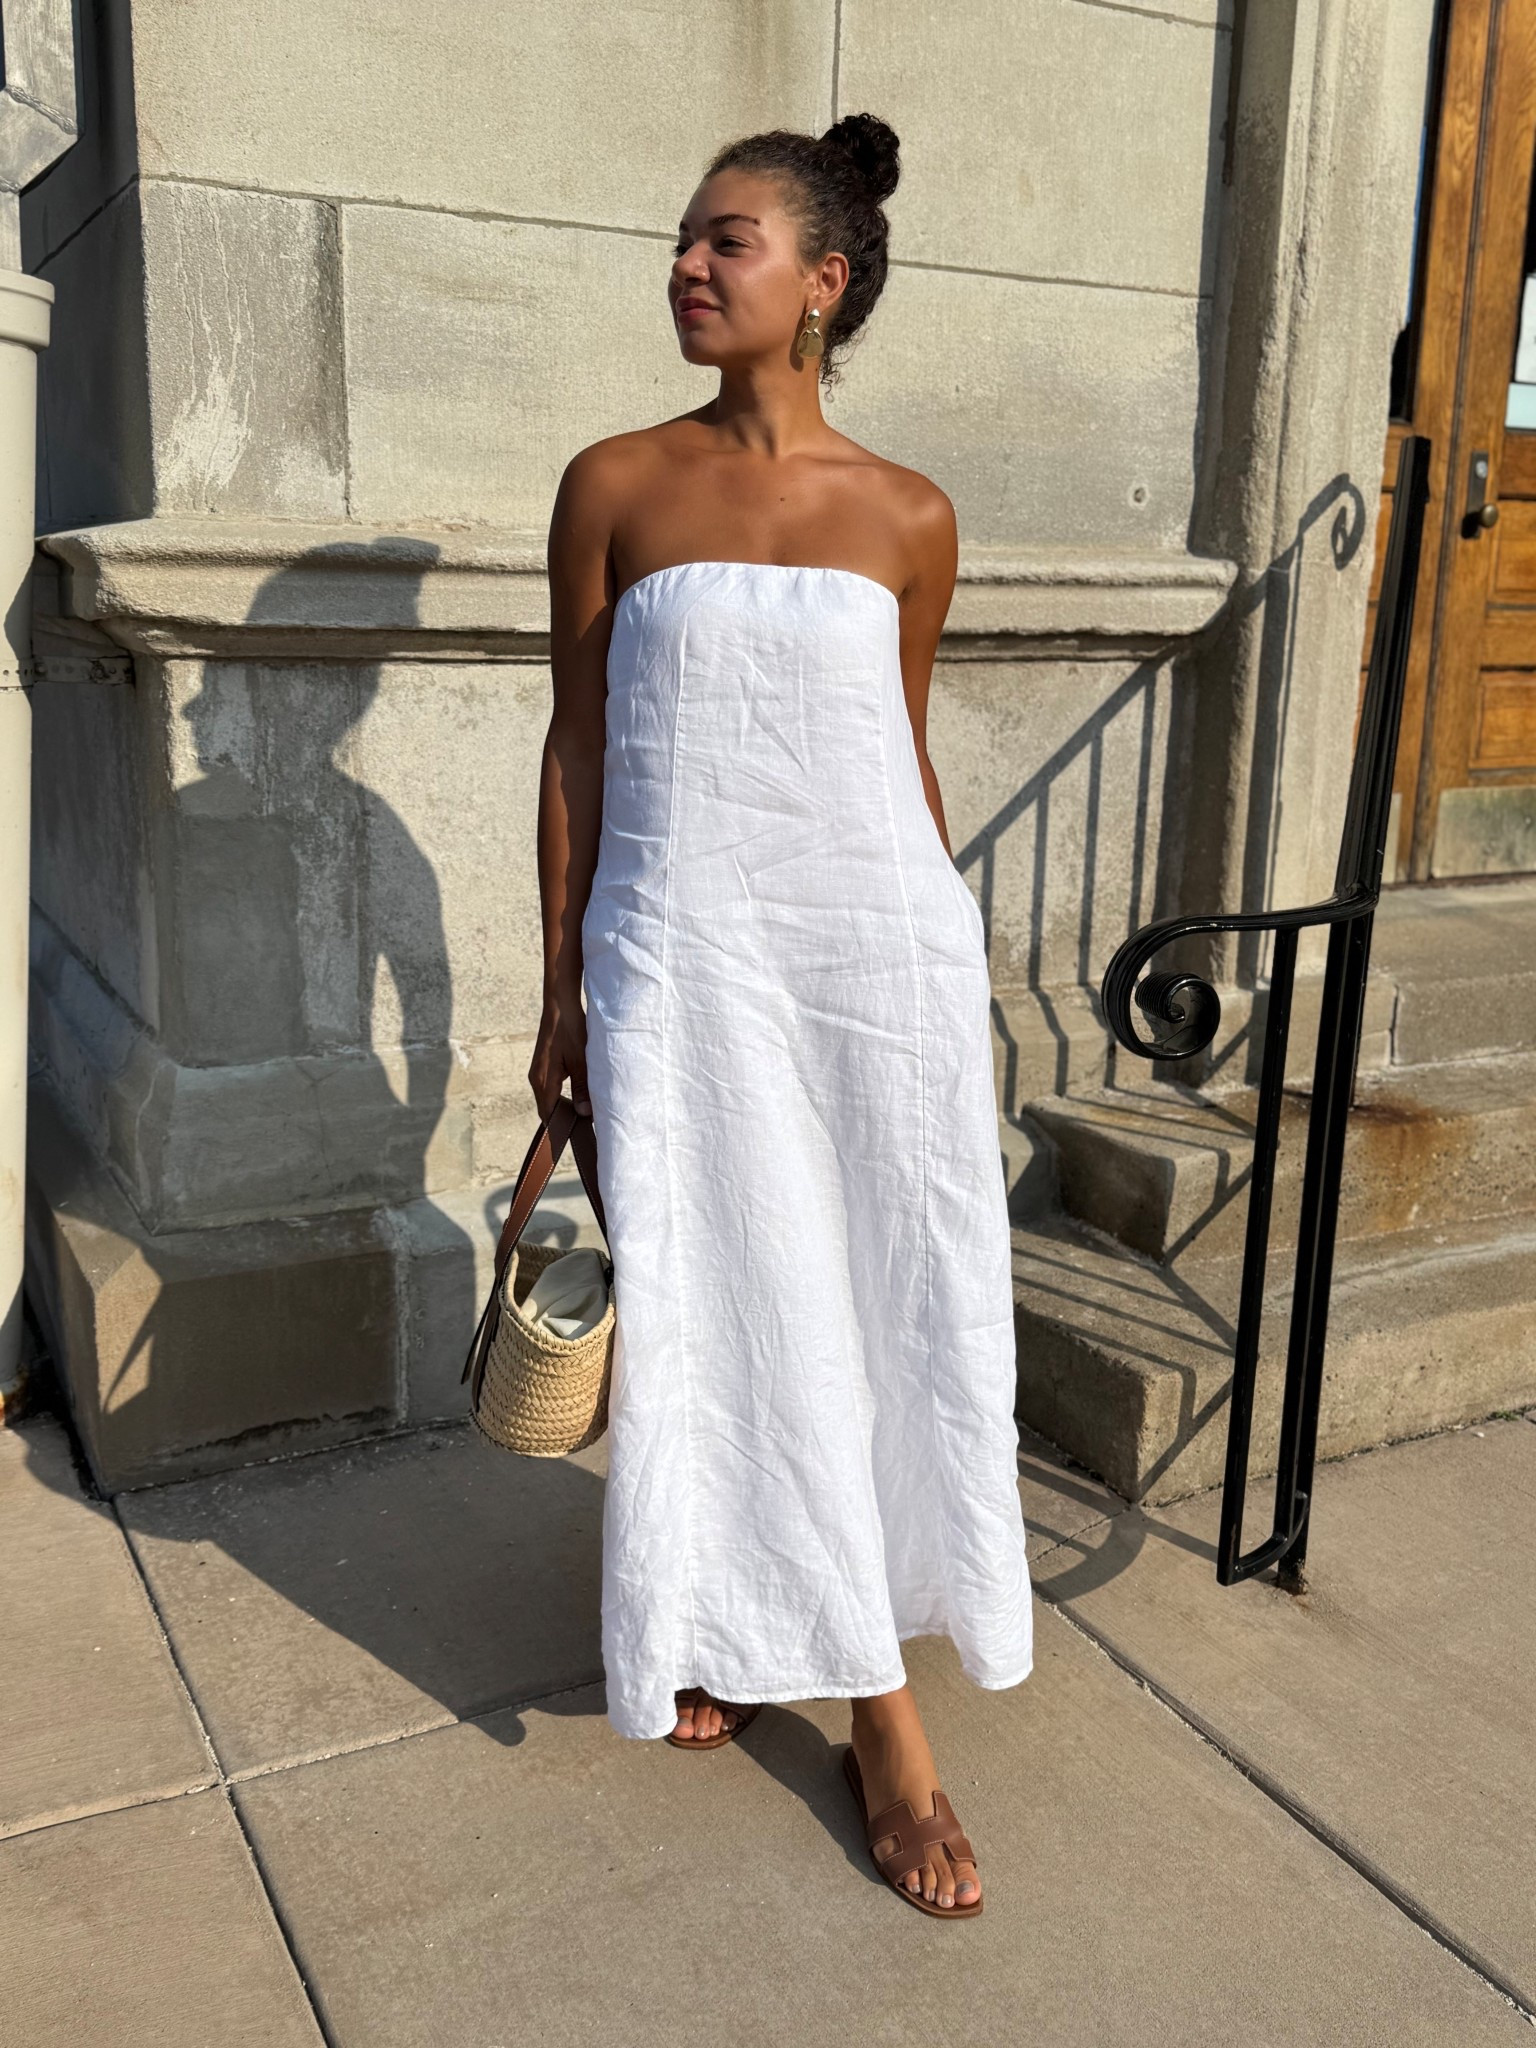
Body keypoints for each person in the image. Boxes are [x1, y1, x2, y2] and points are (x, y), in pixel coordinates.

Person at [530, 111, 1033, 1920]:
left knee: (879, 1283)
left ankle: (882, 1711)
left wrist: (947, 971)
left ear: (822, 282)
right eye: (680, 237)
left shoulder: (909, 517)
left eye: (725, 239)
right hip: (681, 957)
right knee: (724, 1287)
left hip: (868, 956)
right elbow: (578, 742)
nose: (687, 262)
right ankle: (736, 1609)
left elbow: (894, 756)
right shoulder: (615, 483)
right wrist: (564, 978)